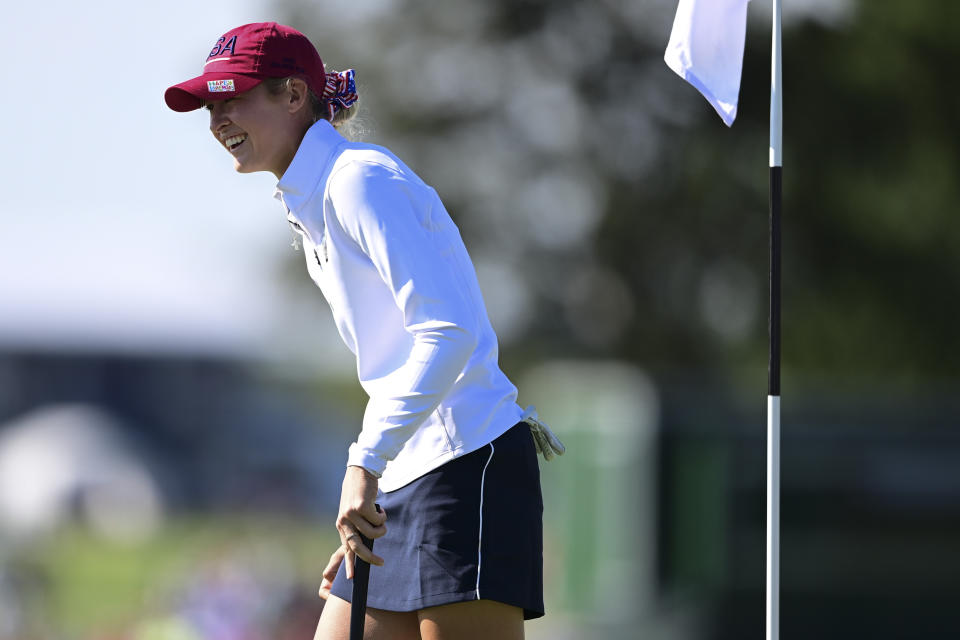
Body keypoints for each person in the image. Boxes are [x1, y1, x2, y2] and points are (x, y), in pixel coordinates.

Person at [165, 22, 564, 640]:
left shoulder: (359, 180)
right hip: (406, 482)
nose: (218, 119)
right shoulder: (312, 200)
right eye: (211, 105)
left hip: (465, 463)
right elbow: (393, 360)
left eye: (234, 97)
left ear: (294, 96)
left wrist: (364, 465)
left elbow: (447, 332)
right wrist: (377, 491)